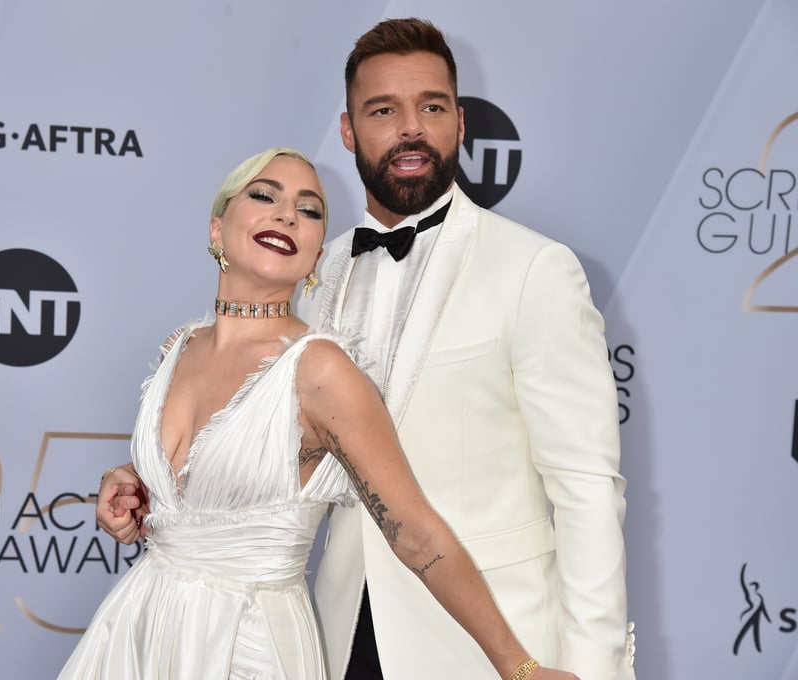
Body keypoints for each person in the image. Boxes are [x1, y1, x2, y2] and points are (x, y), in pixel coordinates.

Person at [66, 148, 575, 680]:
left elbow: (416, 534)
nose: (287, 214)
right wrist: (125, 482)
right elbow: (188, 493)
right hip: (140, 631)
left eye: (309, 211)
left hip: (248, 647)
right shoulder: (181, 346)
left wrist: (519, 668)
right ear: (217, 228)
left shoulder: (318, 371)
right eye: (265, 196)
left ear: (314, 257)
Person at [294, 17, 632, 680]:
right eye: (384, 110)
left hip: (492, 649)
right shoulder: (317, 278)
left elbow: (587, 492)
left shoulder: (535, 267)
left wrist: (591, 668)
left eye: (432, 107)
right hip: (340, 638)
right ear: (347, 131)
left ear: (460, 123)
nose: (411, 128)